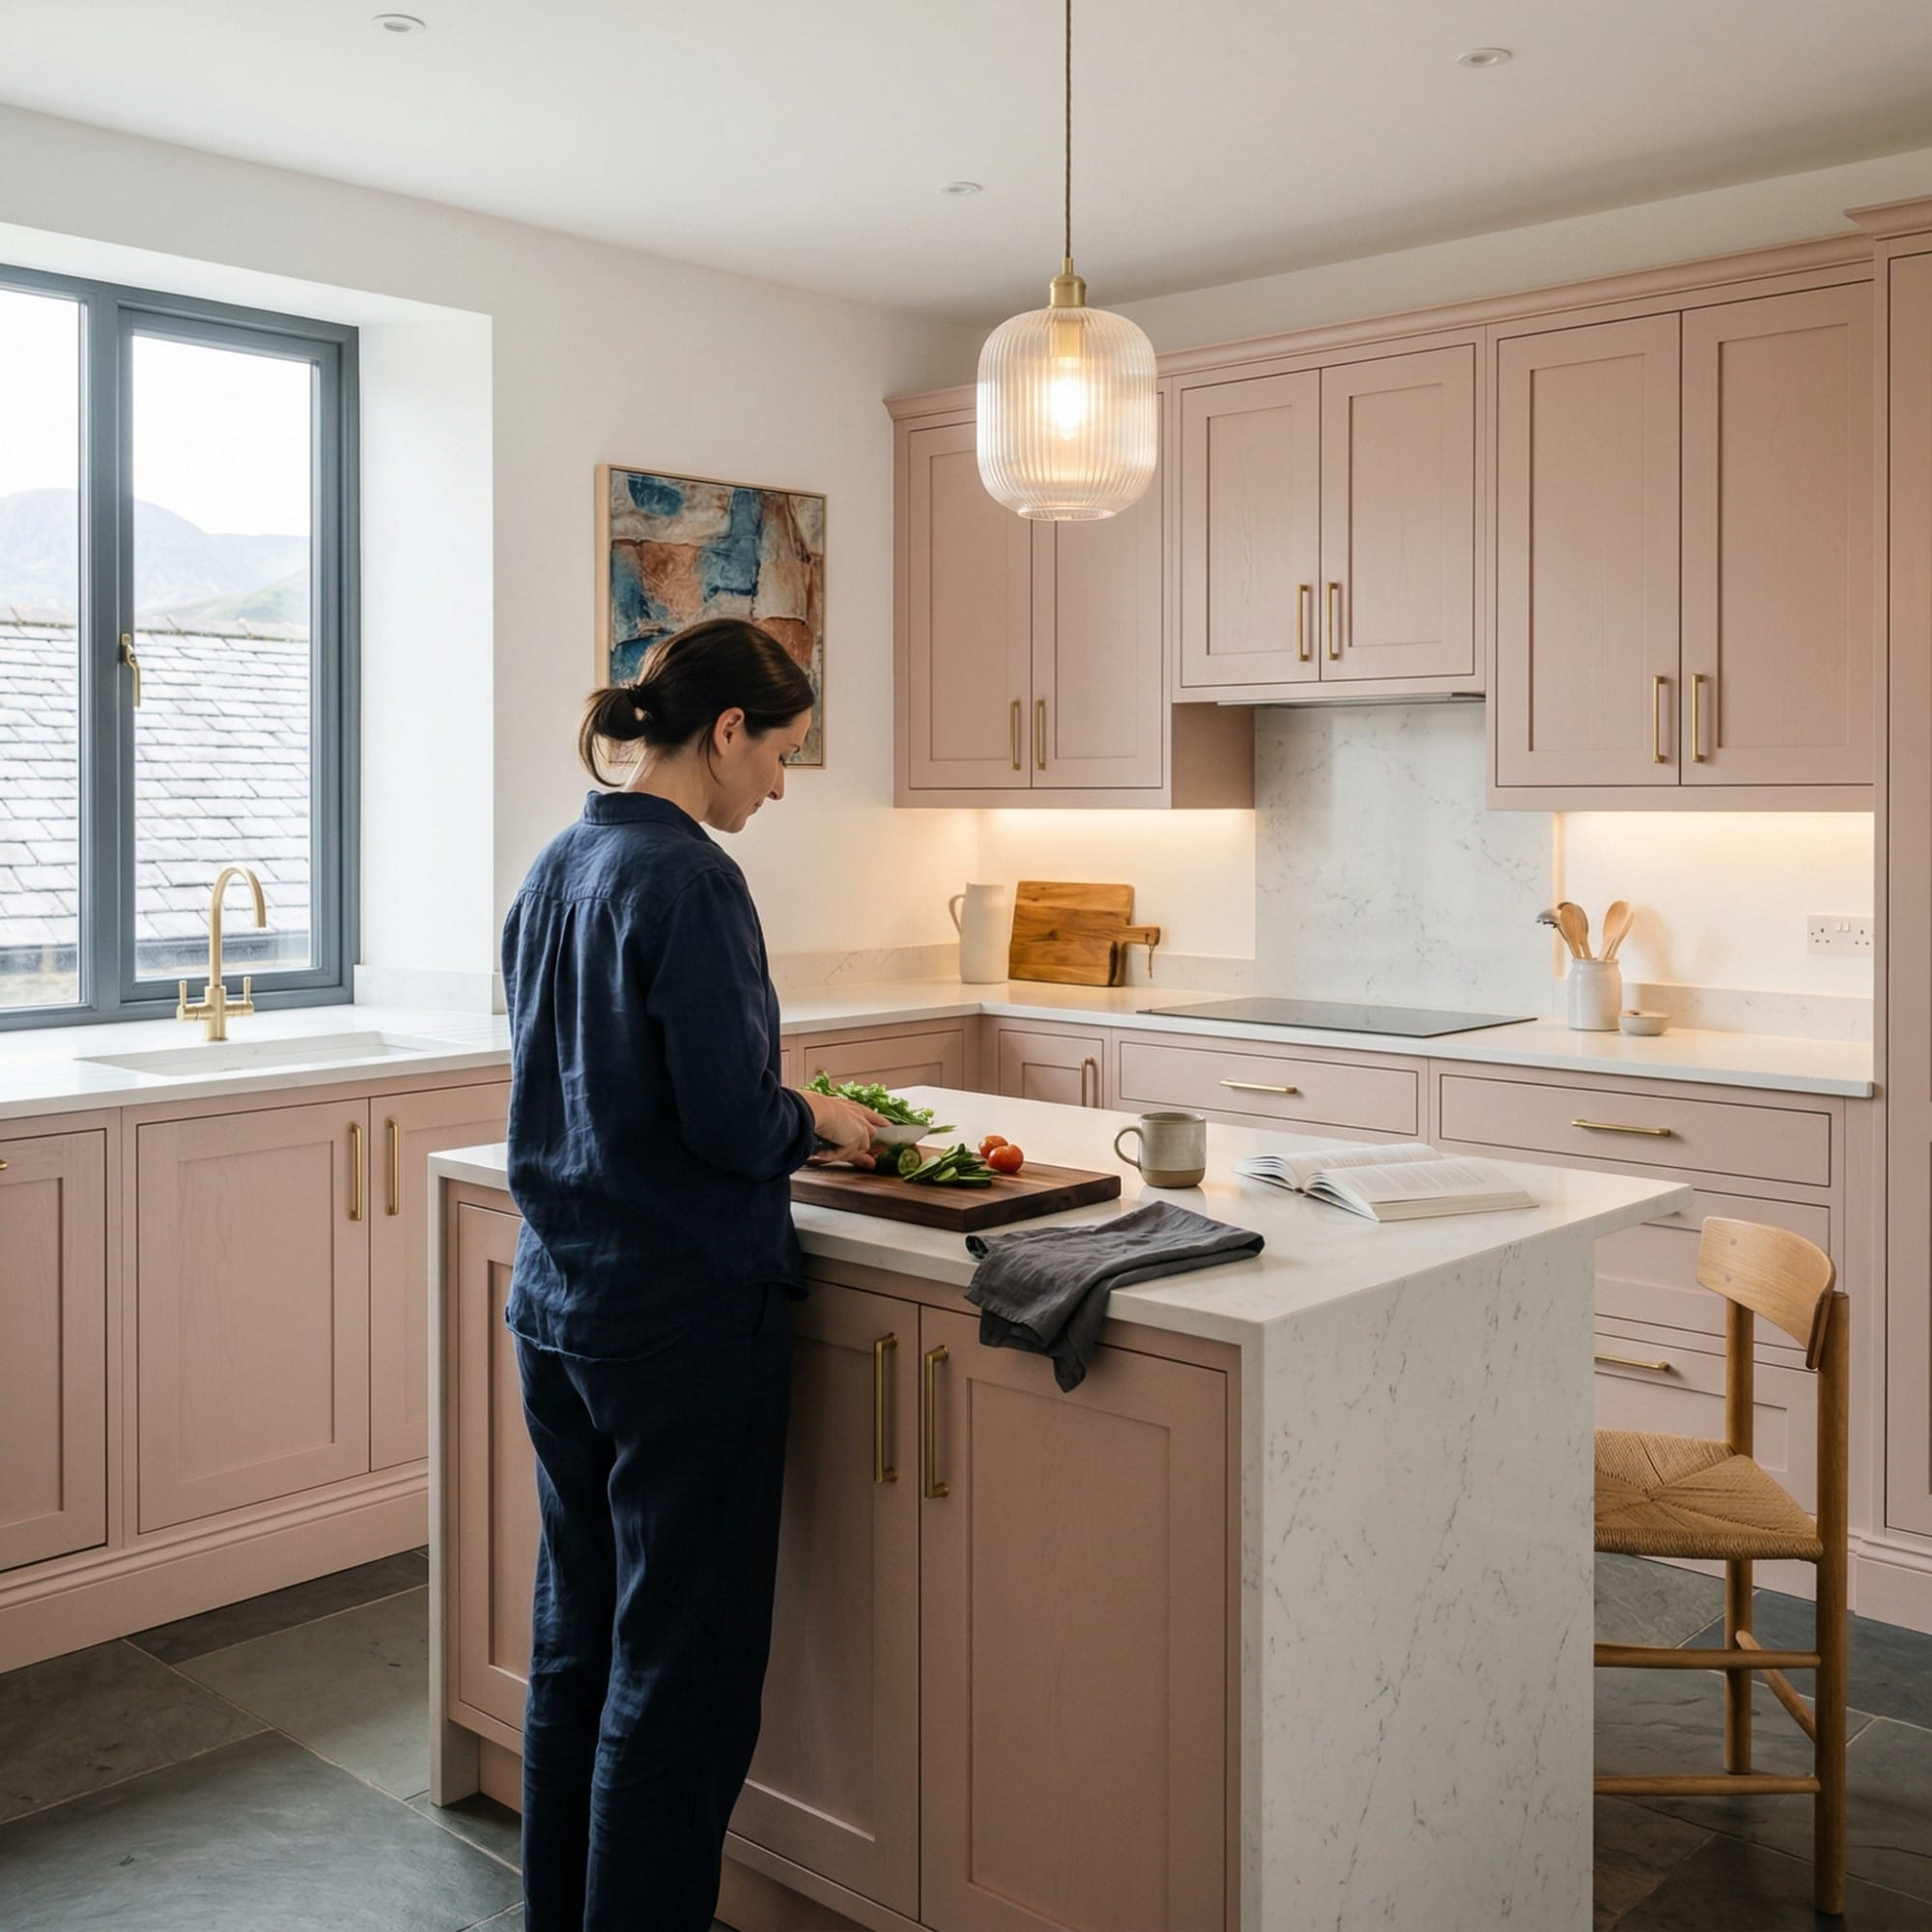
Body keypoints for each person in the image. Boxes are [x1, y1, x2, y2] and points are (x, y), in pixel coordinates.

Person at [499, 618, 883, 1931]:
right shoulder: (691, 879)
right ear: (726, 733)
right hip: (680, 1321)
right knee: (681, 1677)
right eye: (780, 754)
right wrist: (811, 1115)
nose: (779, 785)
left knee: (579, 1642)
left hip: (559, 1307)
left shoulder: (559, 862)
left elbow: (601, 1087)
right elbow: (725, 1121)